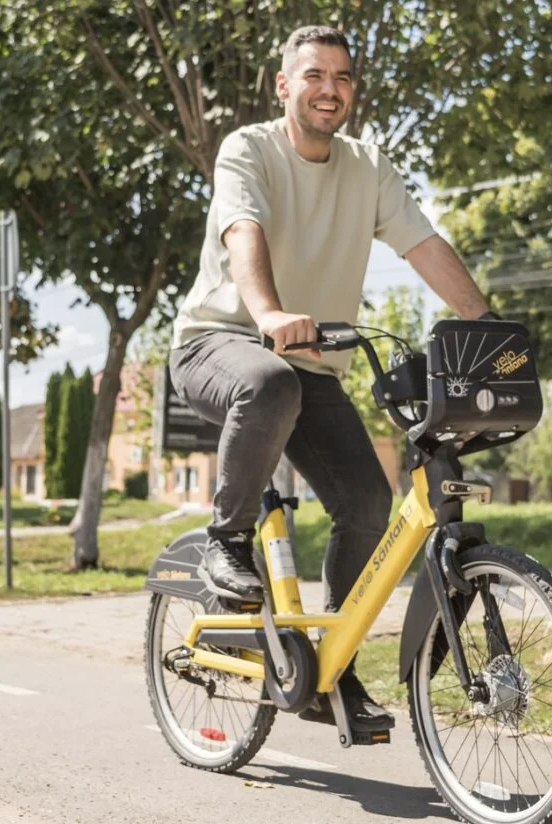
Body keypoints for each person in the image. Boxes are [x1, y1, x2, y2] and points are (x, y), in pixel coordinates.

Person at [168, 25, 494, 731]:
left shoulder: (367, 167)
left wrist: (487, 323)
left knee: (370, 508)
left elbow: (424, 245)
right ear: (283, 85)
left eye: (343, 78)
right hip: (219, 343)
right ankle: (226, 545)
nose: (330, 89)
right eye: (314, 75)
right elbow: (242, 231)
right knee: (269, 383)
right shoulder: (247, 149)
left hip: (309, 363)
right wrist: (270, 312)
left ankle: (328, 673)